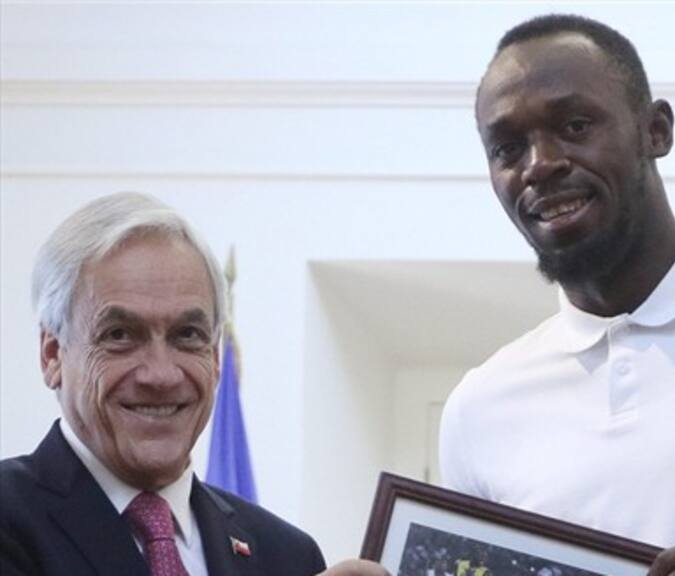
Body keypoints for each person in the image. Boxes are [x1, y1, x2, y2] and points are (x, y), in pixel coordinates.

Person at [439, 14, 675, 576]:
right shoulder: (480, 408)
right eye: (508, 148)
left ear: (655, 131)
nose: (540, 165)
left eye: (574, 125)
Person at [0, 192, 388, 576]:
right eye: (120, 335)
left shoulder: (286, 554)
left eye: (187, 335)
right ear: (52, 355)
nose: (161, 375)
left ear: (216, 357)